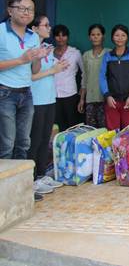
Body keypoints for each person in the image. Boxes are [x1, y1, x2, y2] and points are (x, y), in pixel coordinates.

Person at [0, 0, 49, 163]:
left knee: (23, 143)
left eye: (30, 9)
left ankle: (19, 179)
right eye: (22, 8)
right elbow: (22, 61)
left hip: (26, 93)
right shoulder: (1, 31)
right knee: (7, 144)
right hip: (4, 93)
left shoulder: (33, 36)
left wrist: (38, 58)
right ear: (10, 10)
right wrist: (21, 60)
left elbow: (34, 69)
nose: (26, 12)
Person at [29, 15, 67, 197]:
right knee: (34, 140)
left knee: (45, 139)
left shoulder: (47, 48)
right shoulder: (30, 49)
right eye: (45, 25)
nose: (49, 28)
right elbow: (30, 76)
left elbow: (51, 69)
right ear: (34, 28)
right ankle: (31, 179)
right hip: (35, 100)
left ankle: (42, 175)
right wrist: (53, 70)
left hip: (49, 98)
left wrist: (60, 66)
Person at [99, 25, 129, 130]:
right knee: (113, 132)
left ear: (127, 37)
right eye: (117, 35)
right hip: (112, 101)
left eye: (123, 35)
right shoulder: (107, 56)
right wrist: (107, 95)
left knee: (128, 132)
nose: (120, 38)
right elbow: (102, 76)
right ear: (112, 37)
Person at [52, 25, 83, 131]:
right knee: (57, 126)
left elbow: (85, 73)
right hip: (53, 94)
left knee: (72, 125)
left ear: (68, 37)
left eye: (63, 35)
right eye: (58, 35)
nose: (61, 38)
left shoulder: (75, 53)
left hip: (70, 94)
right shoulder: (48, 52)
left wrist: (82, 89)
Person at [78, 24, 109, 127]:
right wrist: (82, 99)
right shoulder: (86, 55)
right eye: (93, 35)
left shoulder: (109, 53)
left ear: (103, 36)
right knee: (91, 129)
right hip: (90, 99)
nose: (95, 37)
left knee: (105, 130)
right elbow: (84, 78)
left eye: (98, 34)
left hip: (106, 99)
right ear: (89, 37)